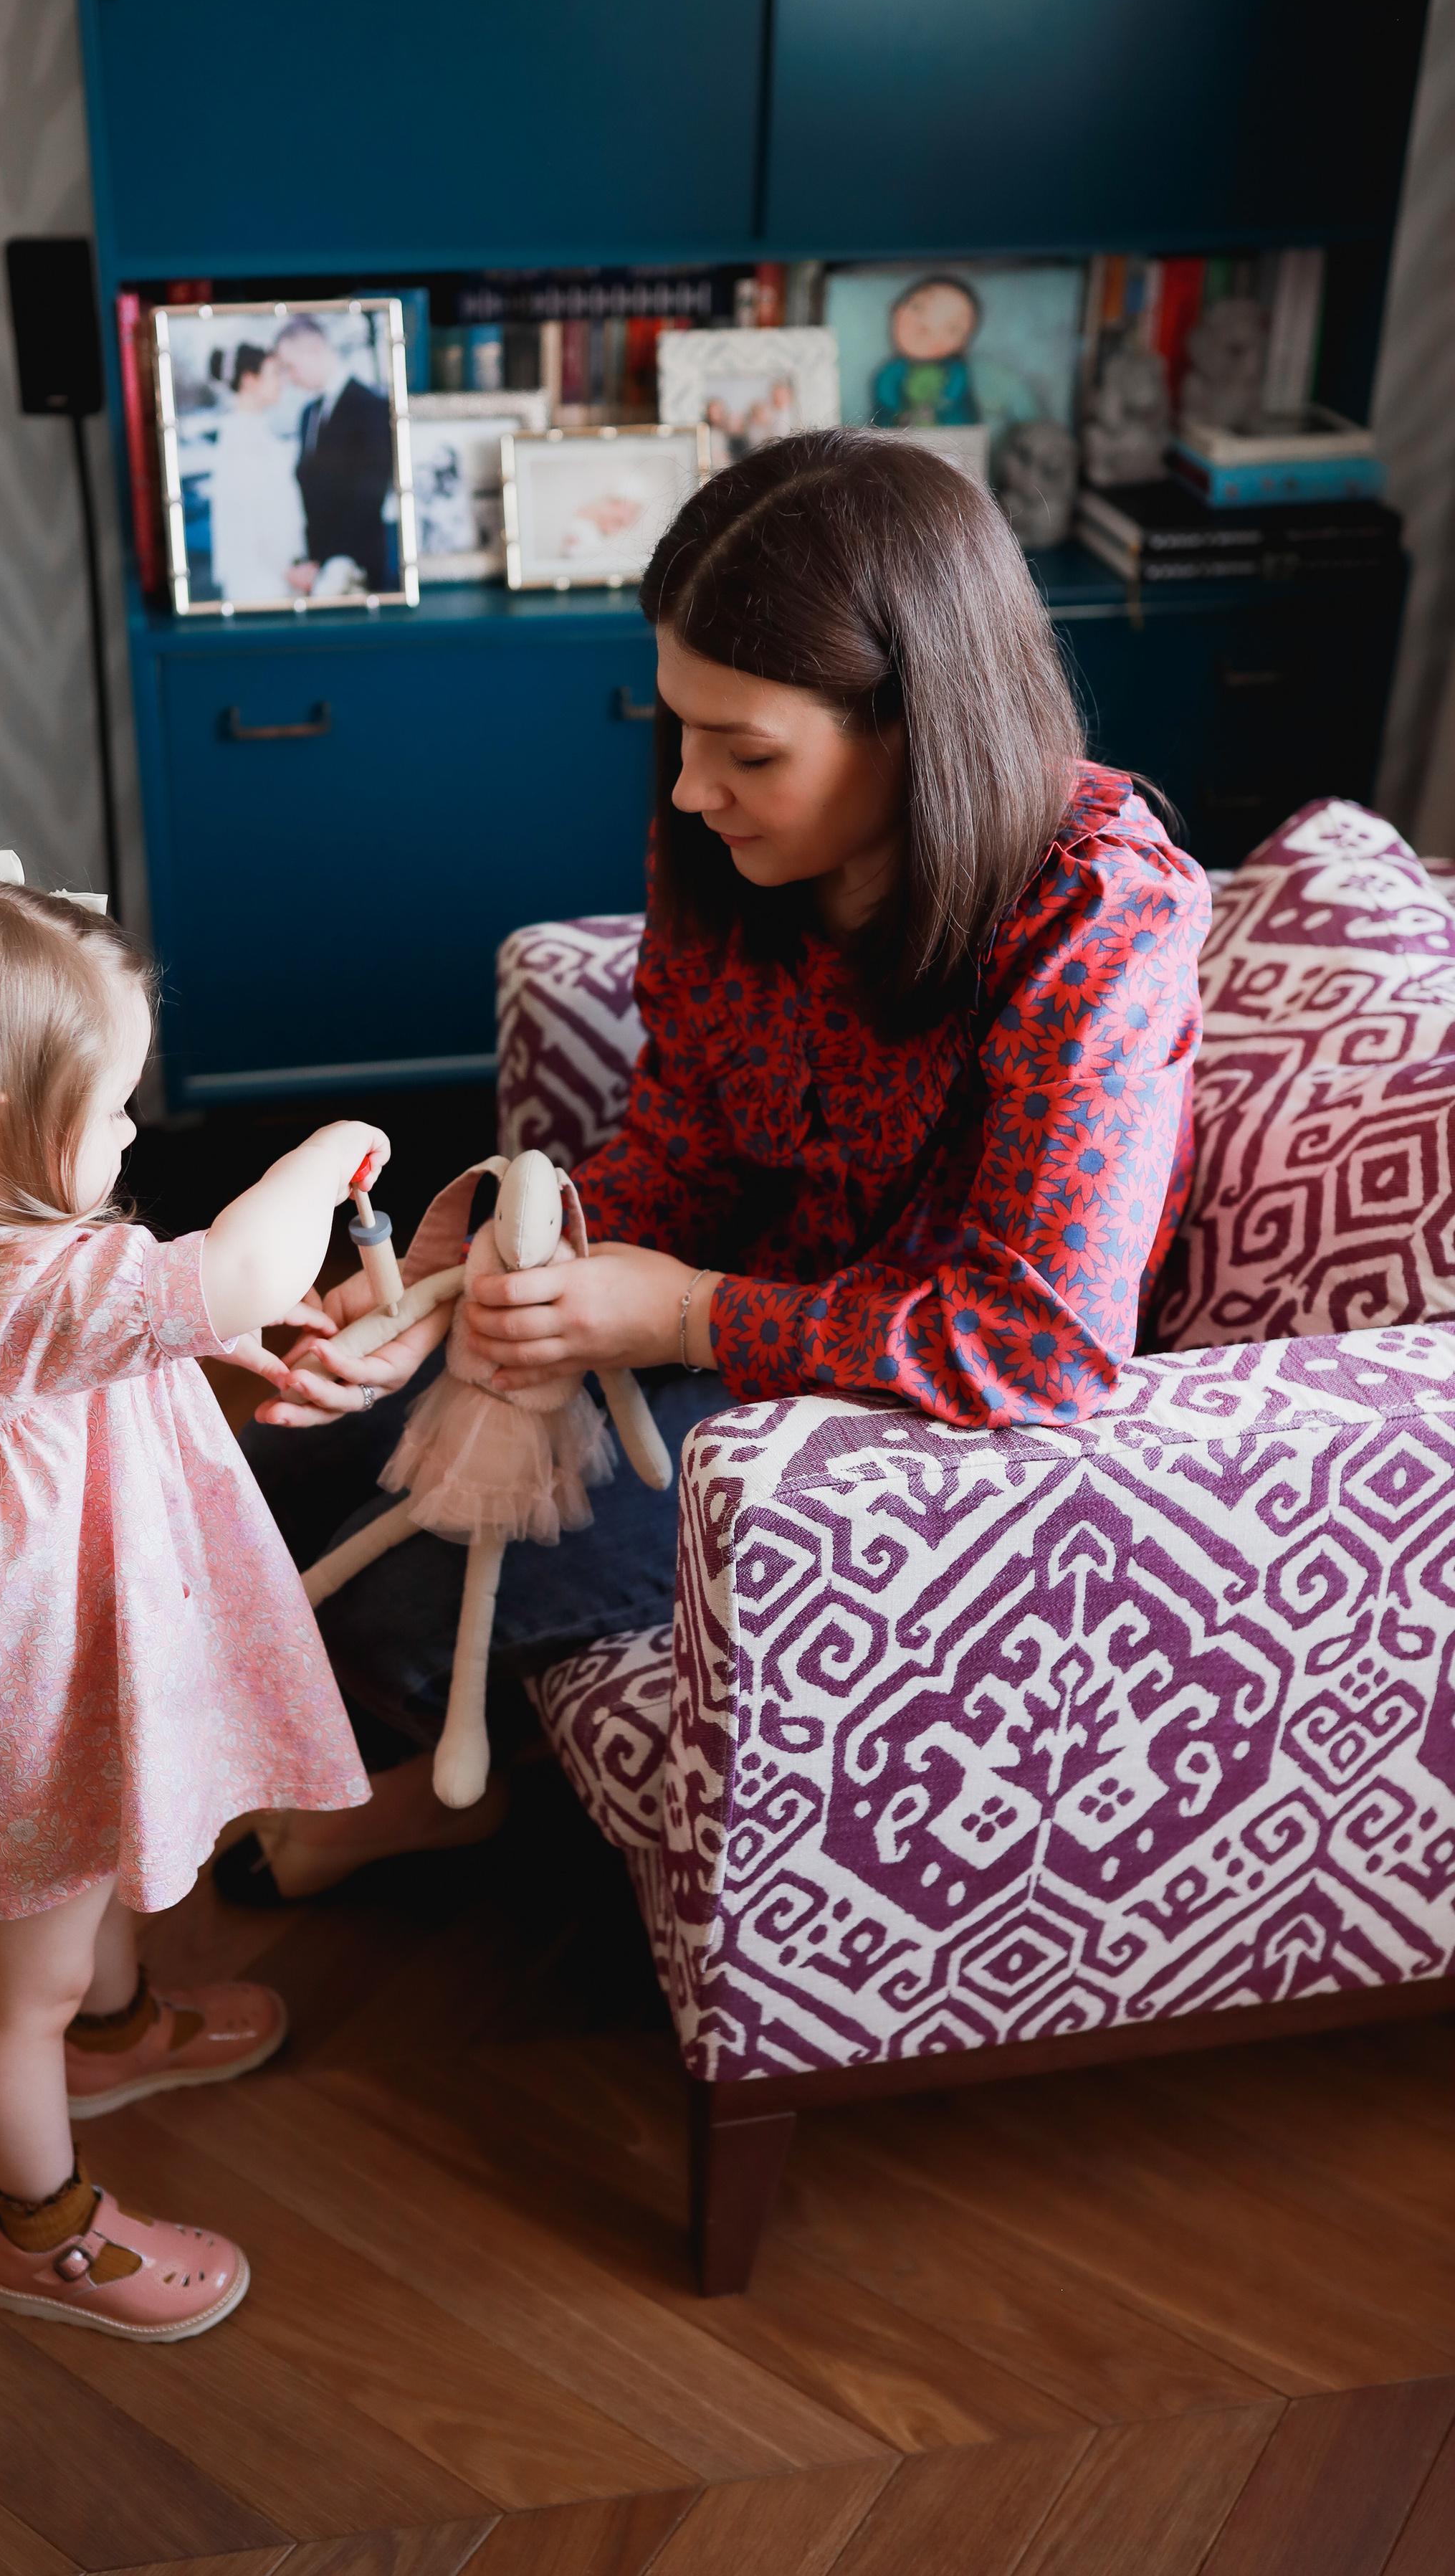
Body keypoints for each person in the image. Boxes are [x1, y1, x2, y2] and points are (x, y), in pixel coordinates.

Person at [224, 429, 1208, 1903]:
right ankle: (373, 1726)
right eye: (679, 735)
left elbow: (1040, 1344)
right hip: (737, 1314)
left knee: (409, 1591)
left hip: (929, 1401)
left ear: (912, 727)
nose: (687, 792)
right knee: (282, 1460)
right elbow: (684, 1137)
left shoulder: (1094, 924)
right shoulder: (724, 855)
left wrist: (683, 1316)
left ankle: (448, 1794)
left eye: (743, 752)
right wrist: (470, 1295)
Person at [0, 853, 383, 2339]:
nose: (131, 1131)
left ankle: (118, 2035)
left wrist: (191, 1344)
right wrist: (319, 1160)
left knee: (87, 1869)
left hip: (50, 1676)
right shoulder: (26, 1288)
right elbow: (237, 1261)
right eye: (115, 1105)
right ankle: (39, 2226)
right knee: (23, 1992)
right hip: (22, 1698)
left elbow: (101, 1343)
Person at [275, 315, 395, 591]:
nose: (290, 378)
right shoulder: (307, 415)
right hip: (316, 569)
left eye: (291, 366)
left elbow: (369, 495)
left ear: (316, 350)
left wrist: (326, 563)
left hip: (359, 569)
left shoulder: (372, 406)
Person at [206, 341, 307, 604]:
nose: (282, 382)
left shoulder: (253, 433)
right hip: (262, 582)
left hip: (275, 575)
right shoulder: (242, 438)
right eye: (274, 374)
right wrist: (289, 571)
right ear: (250, 380)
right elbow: (250, 516)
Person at [871, 275, 982, 426]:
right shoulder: (891, 371)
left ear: (964, 344)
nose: (926, 327)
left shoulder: (956, 371)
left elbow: (957, 394)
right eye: (918, 308)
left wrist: (942, 406)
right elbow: (886, 396)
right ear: (895, 309)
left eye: (951, 329)